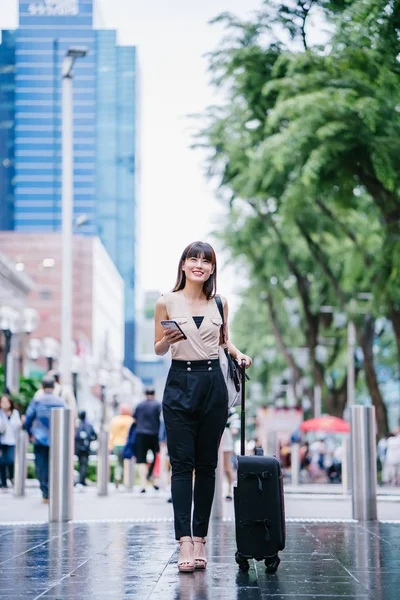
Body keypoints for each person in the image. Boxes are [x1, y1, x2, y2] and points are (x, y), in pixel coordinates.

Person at [154, 241, 252, 573]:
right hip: (179, 382)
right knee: (182, 466)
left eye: (206, 260)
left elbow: (224, 341)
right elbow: (156, 348)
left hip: (213, 384)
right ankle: (183, 541)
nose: (199, 264)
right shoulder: (165, 301)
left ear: (212, 269)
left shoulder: (220, 303)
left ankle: (201, 540)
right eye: (193, 258)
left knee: (208, 465)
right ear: (182, 265)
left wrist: (238, 354)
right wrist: (167, 340)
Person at [25, 377, 65, 502]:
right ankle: (55, 491)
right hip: (57, 439)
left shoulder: (37, 401)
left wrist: (30, 432)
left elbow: (28, 418)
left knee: (41, 465)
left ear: (41, 387)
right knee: (56, 465)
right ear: (54, 387)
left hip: (40, 438)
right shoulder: (60, 401)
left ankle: (45, 492)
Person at [132, 387, 162, 493]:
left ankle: (143, 484)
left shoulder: (139, 405)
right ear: (154, 394)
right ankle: (153, 480)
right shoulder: (158, 405)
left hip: (140, 434)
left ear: (145, 394)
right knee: (156, 457)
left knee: (141, 459)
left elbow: (134, 419)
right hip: (154, 434)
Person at [108, 404, 133, 488]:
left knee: (119, 463)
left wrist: (110, 445)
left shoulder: (115, 420)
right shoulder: (130, 420)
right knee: (127, 463)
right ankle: (127, 482)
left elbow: (111, 433)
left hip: (116, 444)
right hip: (126, 444)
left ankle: (117, 476)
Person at [0, 395, 22, 490]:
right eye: (2, 402)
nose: (4, 404)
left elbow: (18, 425)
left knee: (10, 460)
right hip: (1, 441)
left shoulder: (15, 413)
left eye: (6, 402)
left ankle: (12, 478)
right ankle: (3, 482)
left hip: (12, 441)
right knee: (1, 462)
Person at [221, 408, 239, 501]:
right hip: (213, 437)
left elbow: (235, 427)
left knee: (227, 466)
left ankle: (229, 490)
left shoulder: (230, 409)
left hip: (225, 439)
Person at [74, 411, 97, 486]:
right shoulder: (89, 425)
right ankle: (82, 480)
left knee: (81, 464)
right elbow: (95, 436)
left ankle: (81, 480)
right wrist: (89, 440)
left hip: (78, 449)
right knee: (84, 464)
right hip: (86, 449)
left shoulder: (77, 426)